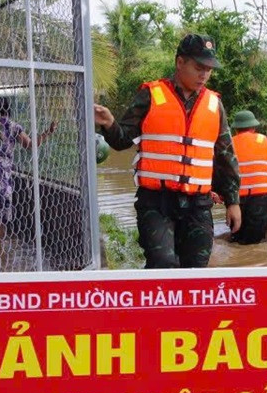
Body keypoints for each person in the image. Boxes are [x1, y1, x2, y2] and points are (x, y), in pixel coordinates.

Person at [93, 33, 242, 268]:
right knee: (162, 264)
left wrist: (233, 202)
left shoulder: (214, 104)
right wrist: (109, 123)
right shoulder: (150, 95)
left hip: (198, 205)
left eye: (209, 69)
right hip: (156, 203)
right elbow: (122, 141)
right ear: (180, 62)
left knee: (196, 270)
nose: (204, 74)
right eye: (198, 67)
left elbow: (226, 155)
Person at [0, 97, 56, 249]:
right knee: (2, 214)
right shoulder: (12, 126)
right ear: (9, 109)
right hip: (4, 174)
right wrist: (48, 132)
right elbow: (30, 145)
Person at [230, 109, 267, 245]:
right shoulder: (265, 140)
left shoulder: (229, 142)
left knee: (236, 237)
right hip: (260, 197)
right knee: (256, 241)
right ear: (254, 127)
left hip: (235, 199)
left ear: (236, 129)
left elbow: (221, 172)